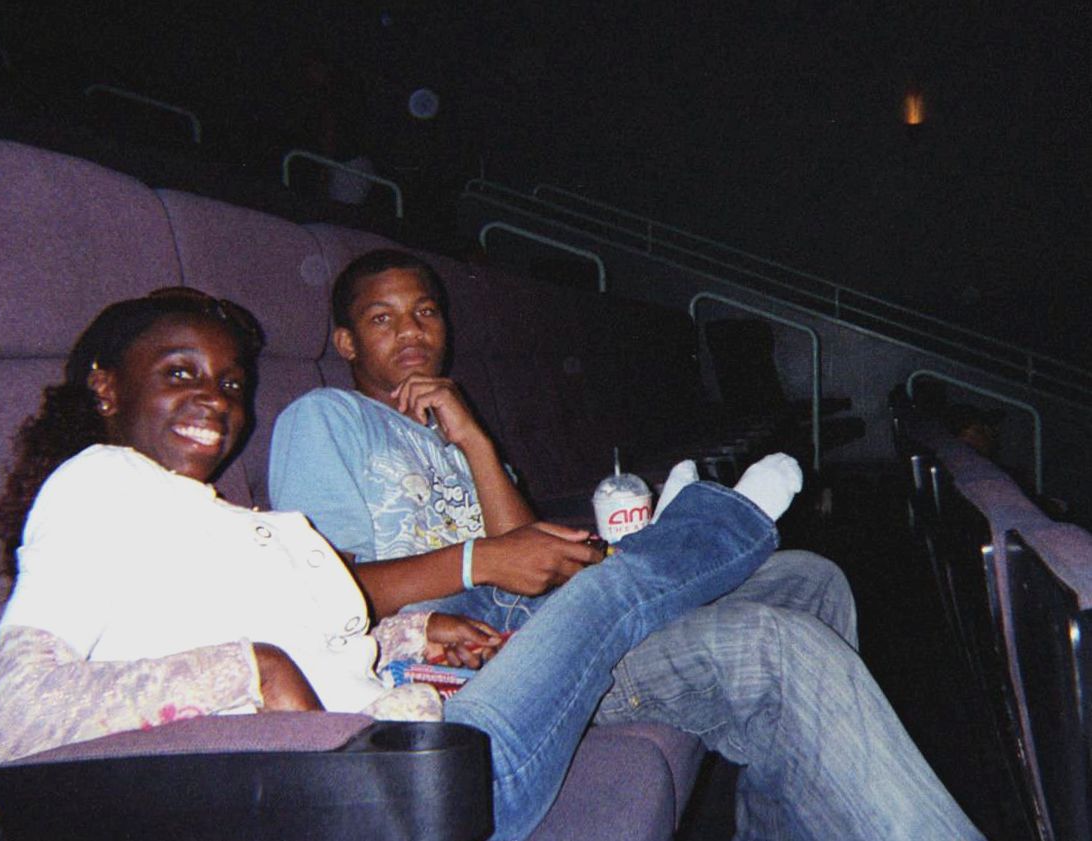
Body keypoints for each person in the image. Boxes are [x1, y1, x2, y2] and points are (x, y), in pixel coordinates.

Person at [0, 287, 801, 841]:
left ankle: (695, 528)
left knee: (633, 594)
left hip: (408, 741)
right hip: (394, 794)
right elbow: (14, 715)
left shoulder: (212, 515)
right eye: (180, 373)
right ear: (106, 388)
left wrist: (413, 632)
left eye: (229, 383)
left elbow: (311, 638)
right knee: (607, 594)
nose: (216, 401)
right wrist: (254, 670)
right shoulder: (95, 485)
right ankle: (715, 522)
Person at [268, 249, 985, 840]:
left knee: (809, 577)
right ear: (346, 342)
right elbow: (322, 596)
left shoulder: (450, 421)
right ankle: (699, 531)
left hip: (540, 619)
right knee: (773, 645)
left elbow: (527, 555)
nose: (411, 331)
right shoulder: (324, 418)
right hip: (489, 667)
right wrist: (474, 560)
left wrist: (474, 439)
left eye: (425, 312)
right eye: (383, 318)